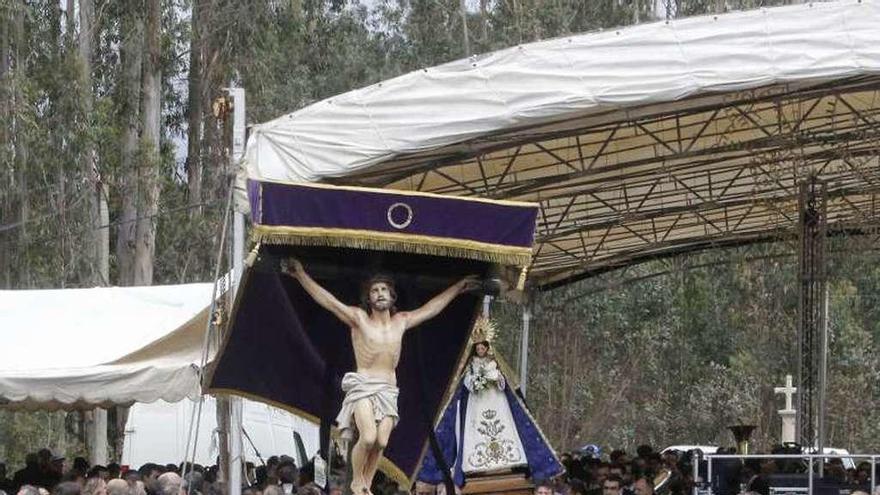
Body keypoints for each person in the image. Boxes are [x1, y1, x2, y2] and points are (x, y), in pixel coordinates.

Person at [285, 260, 479, 495]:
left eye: (384, 290)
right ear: (369, 297)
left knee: (382, 442)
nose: (379, 294)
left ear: (392, 295)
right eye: (375, 291)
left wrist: (457, 288)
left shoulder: (401, 321)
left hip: (388, 390)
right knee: (367, 437)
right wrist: (302, 275)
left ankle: (365, 483)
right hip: (364, 387)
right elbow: (329, 302)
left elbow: (432, 308)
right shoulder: (359, 319)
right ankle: (358, 481)